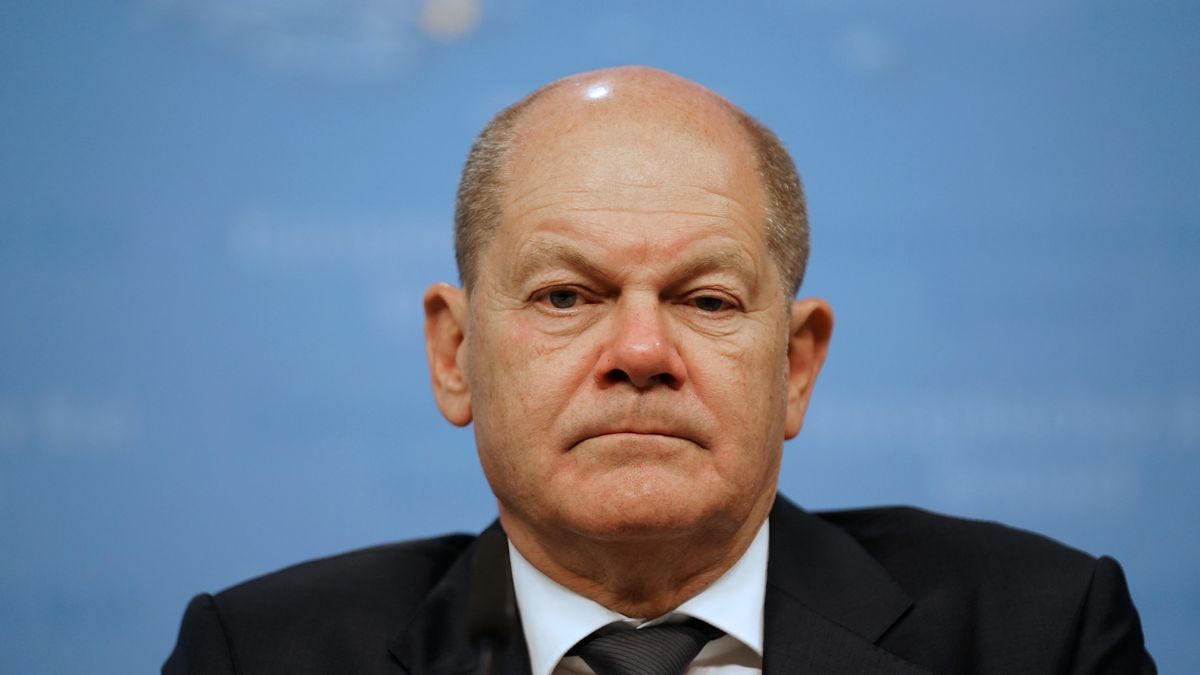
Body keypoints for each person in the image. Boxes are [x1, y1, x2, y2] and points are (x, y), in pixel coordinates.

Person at [164, 66, 1155, 674]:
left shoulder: (1042, 634)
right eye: (566, 297)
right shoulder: (261, 654)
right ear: (454, 354)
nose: (641, 354)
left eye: (707, 302)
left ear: (797, 365)